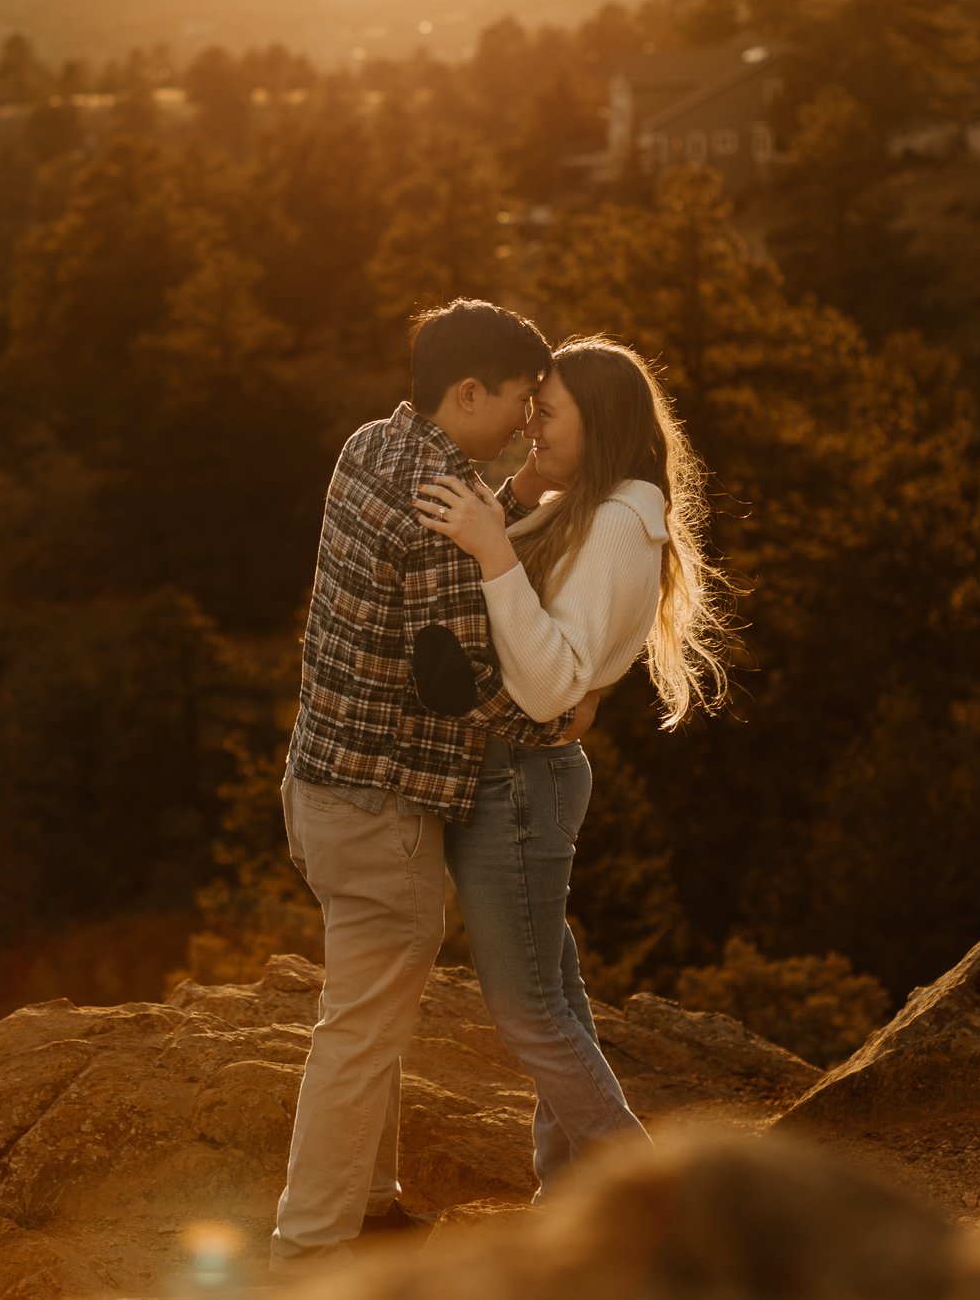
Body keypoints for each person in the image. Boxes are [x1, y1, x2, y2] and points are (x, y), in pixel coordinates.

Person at [271, 298, 576, 1271]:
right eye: (522, 400)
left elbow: (434, 565)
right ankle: (309, 1243)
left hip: (317, 784)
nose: (530, 419)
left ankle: (368, 1198)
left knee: (374, 1010)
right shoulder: (445, 510)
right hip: (382, 809)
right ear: (468, 391)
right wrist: (565, 709)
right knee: (360, 1026)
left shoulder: (372, 446)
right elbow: (468, 692)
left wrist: (521, 512)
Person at [411, 336, 733, 1198]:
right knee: (554, 993)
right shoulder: (591, 506)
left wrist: (493, 549)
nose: (530, 424)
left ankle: (656, 1199)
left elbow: (551, 679)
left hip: (522, 777)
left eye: (547, 412)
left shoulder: (623, 522)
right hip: (521, 772)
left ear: (603, 422)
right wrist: (509, 512)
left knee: (526, 1010)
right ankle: (568, 1192)